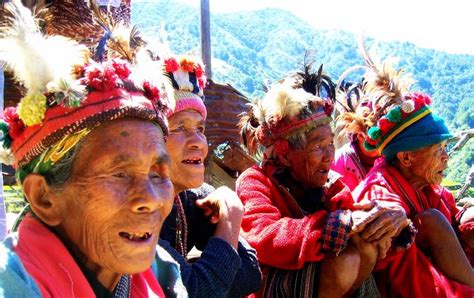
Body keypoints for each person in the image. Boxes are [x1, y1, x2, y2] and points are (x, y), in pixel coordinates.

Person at [0, 1, 185, 296]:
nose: (150, 201)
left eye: (156, 173)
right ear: (44, 196)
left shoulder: (161, 272)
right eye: (120, 174)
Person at [236, 65, 413, 297]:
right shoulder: (255, 182)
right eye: (318, 147)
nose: (330, 155)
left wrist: (390, 224)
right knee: (346, 260)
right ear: (285, 153)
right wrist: (336, 224)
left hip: (322, 282)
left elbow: (355, 223)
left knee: (367, 245)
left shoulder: (330, 185)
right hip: (270, 285)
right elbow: (263, 236)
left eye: (331, 144)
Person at [158, 54, 262, 297]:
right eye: (180, 127)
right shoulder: (137, 210)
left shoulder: (190, 198)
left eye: (200, 129)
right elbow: (199, 292)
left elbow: (249, 274)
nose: (198, 142)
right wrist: (230, 217)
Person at [355, 88, 474, 296]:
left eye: (445, 148)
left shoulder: (428, 188)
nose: (446, 157)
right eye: (438, 149)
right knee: (432, 220)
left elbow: (453, 238)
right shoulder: (381, 200)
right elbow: (414, 281)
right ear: (406, 158)